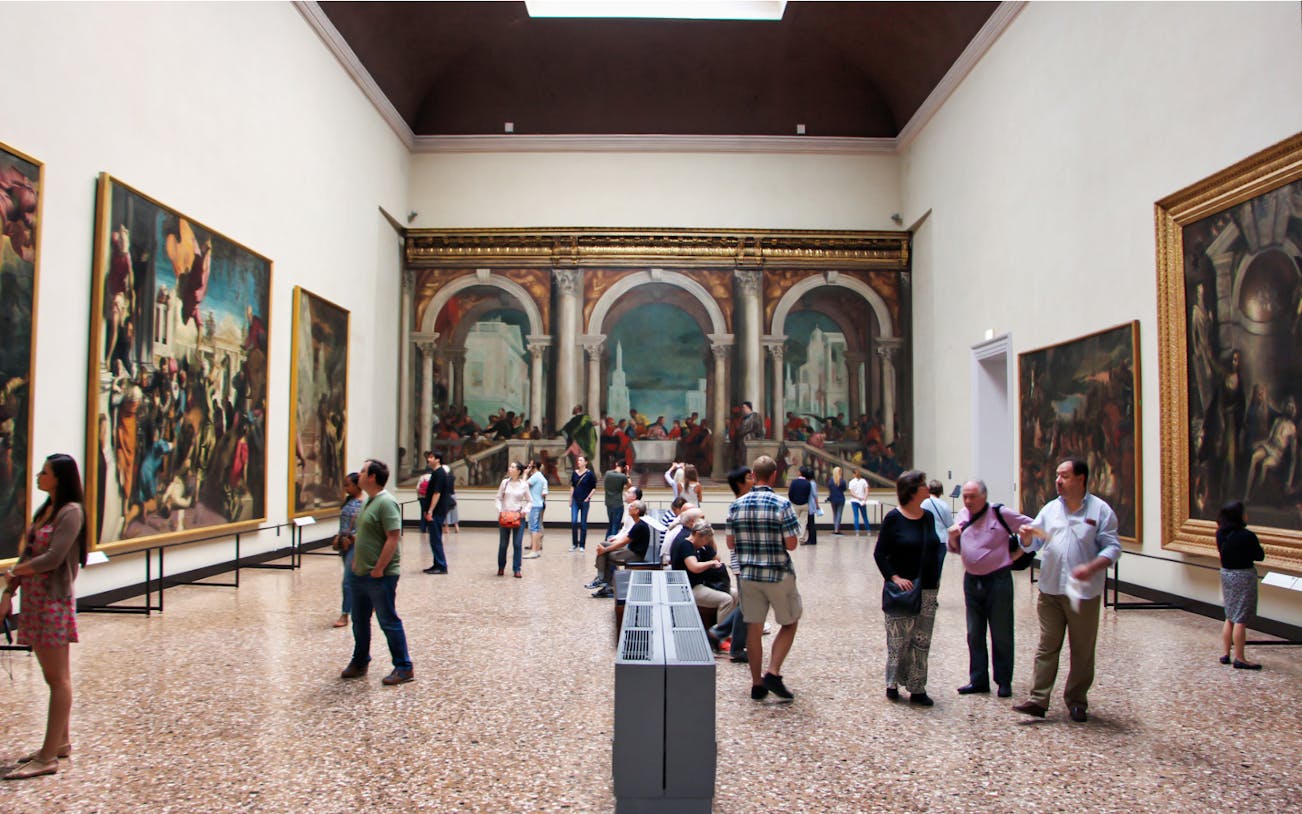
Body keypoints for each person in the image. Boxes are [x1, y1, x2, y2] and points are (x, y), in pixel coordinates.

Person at [1014, 457, 1121, 722]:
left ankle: (1076, 700)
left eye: (1064, 476)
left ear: (1081, 479)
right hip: (1050, 590)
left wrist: (1095, 565)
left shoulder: (1100, 511)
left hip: (1082, 593)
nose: (1058, 481)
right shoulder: (1050, 509)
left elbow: (1112, 546)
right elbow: (1031, 544)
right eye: (1057, 476)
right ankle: (1038, 699)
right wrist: (1026, 537)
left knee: (1082, 650)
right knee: (1047, 645)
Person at [0, 454, 87, 780]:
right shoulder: (45, 511)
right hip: (36, 601)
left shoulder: (71, 512)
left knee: (57, 678)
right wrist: (9, 592)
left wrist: (14, 571)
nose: (38, 476)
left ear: (60, 478)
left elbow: (53, 557)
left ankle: (48, 757)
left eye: (44, 472)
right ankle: (60, 742)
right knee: (53, 676)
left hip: (52, 601)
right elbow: (30, 552)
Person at [947, 479, 1033, 697]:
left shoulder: (1000, 513)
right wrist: (952, 538)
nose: (967, 501)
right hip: (972, 581)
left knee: (1001, 631)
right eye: (965, 496)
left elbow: (1031, 528)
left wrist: (1020, 550)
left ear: (984, 496)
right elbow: (955, 549)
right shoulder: (963, 515)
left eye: (972, 496)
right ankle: (978, 680)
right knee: (974, 633)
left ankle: (1004, 681)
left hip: (998, 580)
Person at [726, 455, 800, 702]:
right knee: (789, 622)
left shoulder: (737, 505)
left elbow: (730, 542)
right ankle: (773, 671)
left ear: (754, 476)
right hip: (778, 574)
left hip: (748, 576)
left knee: (754, 629)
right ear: (774, 475)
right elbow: (791, 544)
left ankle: (757, 684)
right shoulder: (782, 504)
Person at [874, 470, 945, 707]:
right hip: (902, 589)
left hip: (927, 587)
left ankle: (917, 686)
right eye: (923, 485)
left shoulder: (927, 517)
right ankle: (892, 682)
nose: (928, 489)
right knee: (898, 640)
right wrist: (893, 577)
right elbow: (880, 553)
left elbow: (934, 548)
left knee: (922, 640)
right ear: (912, 491)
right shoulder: (894, 518)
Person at [340, 459, 412, 685]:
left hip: (380, 575)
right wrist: (356, 562)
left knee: (387, 619)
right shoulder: (367, 501)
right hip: (361, 573)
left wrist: (380, 567)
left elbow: (393, 537)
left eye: (362, 471)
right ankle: (360, 660)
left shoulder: (386, 502)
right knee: (359, 620)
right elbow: (364, 534)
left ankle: (403, 666)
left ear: (372, 477)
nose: (358, 474)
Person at [1216, 500, 1265, 669]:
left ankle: (1225, 653)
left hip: (1227, 574)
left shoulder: (1220, 533)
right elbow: (1259, 555)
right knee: (1241, 618)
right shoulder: (1246, 535)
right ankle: (1240, 657)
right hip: (1243, 576)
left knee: (1229, 615)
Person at [671, 522, 735, 646]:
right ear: (697, 534)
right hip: (689, 587)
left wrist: (711, 541)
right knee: (726, 600)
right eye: (706, 539)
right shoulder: (686, 545)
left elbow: (717, 558)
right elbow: (694, 567)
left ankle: (729, 633)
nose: (706, 542)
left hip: (704, 583)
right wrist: (710, 563)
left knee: (736, 594)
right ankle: (719, 637)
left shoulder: (701, 546)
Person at [589, 499, 651, 597]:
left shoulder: (640, 525)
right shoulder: (638, 523)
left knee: (608, 555)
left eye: (632, 506)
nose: (629, 507)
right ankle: (603, 578)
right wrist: (609, 545)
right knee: (603, 543)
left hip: (635, 555)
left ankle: (604, 580)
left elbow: (623, 543)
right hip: (630, 550)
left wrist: (605, 550)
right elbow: (624, 539)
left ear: (637, 511)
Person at [331, 472, 362, 628]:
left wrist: (353, 537)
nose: (345, 488)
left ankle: (345, 614)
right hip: (345, 543)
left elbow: (365, 526)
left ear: (357, 485)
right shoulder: (349, 501)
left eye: (348, 485)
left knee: (347, 580)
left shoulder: (364, 503)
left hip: (356, 544)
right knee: (355, 578)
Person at [495, 461, 532, 578]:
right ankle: (501, 567)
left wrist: (524, 511)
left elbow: (530, 501)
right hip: (505, 516)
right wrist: (500, 510)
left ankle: (517, 568)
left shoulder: (523, 485)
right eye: (510, 467)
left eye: (512, 467)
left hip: (518, 517)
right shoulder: (505, 483)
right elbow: (498, 498)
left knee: (517, 544)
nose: (510, 469)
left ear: (518, 471)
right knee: (503, 544)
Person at [422, 450, 450, 575]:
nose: (429, 459)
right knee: (434, 538)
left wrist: (430, 511)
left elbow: (436, 493)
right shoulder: (436, 473)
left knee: (436, 539)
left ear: (438, 459)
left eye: (431, 457)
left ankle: (441, 565)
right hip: (435, 511)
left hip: (436, 511)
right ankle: (437, 564)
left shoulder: (439, 473)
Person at [569, 454, 597, 551]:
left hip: (585, 501)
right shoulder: (574, 473)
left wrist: (588, 497)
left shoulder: (589, 474)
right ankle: (574, 543)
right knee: (573, 522)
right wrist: (570, 499)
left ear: (585, 462)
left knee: (583, 523)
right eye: (578, 460)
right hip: (575, 500)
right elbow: (572, 486)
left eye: (581, 460)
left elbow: (594, 488)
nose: (579, 462)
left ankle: (582, 545)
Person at [523, 459, 548, 559]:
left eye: (530, 465)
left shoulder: (536, 476)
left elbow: (523, 485)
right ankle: (537, 550)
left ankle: (534, 550)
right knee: (537, 528)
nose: (528, 467)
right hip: (538, 504)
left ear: (533, 467)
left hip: (535, 504)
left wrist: (525, 474)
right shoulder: (540, 476)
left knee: (533, 528)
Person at [603, 460, 630, 538]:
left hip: (608, 503)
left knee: (611, 524)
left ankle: (606, 543)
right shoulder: (622, 476)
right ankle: (612, 544)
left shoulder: (607, 473)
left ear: (616, 464)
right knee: (615, 526)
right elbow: (630, 486)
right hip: (618, 504)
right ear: (624, 467)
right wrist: (627, 473)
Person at [733, 401, 764, 467]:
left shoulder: (755, 416)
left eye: (744, 407)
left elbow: (757, 429)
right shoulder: (744, 418)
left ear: (748, 407)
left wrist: (742, 431)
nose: (743, 409)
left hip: (750, 441)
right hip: (742, 442)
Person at [847, 470, 870, 535]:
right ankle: (868, 531)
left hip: (854, 500)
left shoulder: (851, 482)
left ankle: (857, 531)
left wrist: (857, 497)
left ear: (853, 474)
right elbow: (866, 491)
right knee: (865, 516)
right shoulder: (864, 481)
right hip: (862, 500)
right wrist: (864, 499)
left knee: (856, 516)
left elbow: (851, 493)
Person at [827, 465, 847, 535]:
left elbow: (829, 490)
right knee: (839, 514)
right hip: (841, 499)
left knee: (834, 514)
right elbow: (844, 489)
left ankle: (835, 528)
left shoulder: (830, 481)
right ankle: (837, 529)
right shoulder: (842, 481)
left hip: (833, 499)